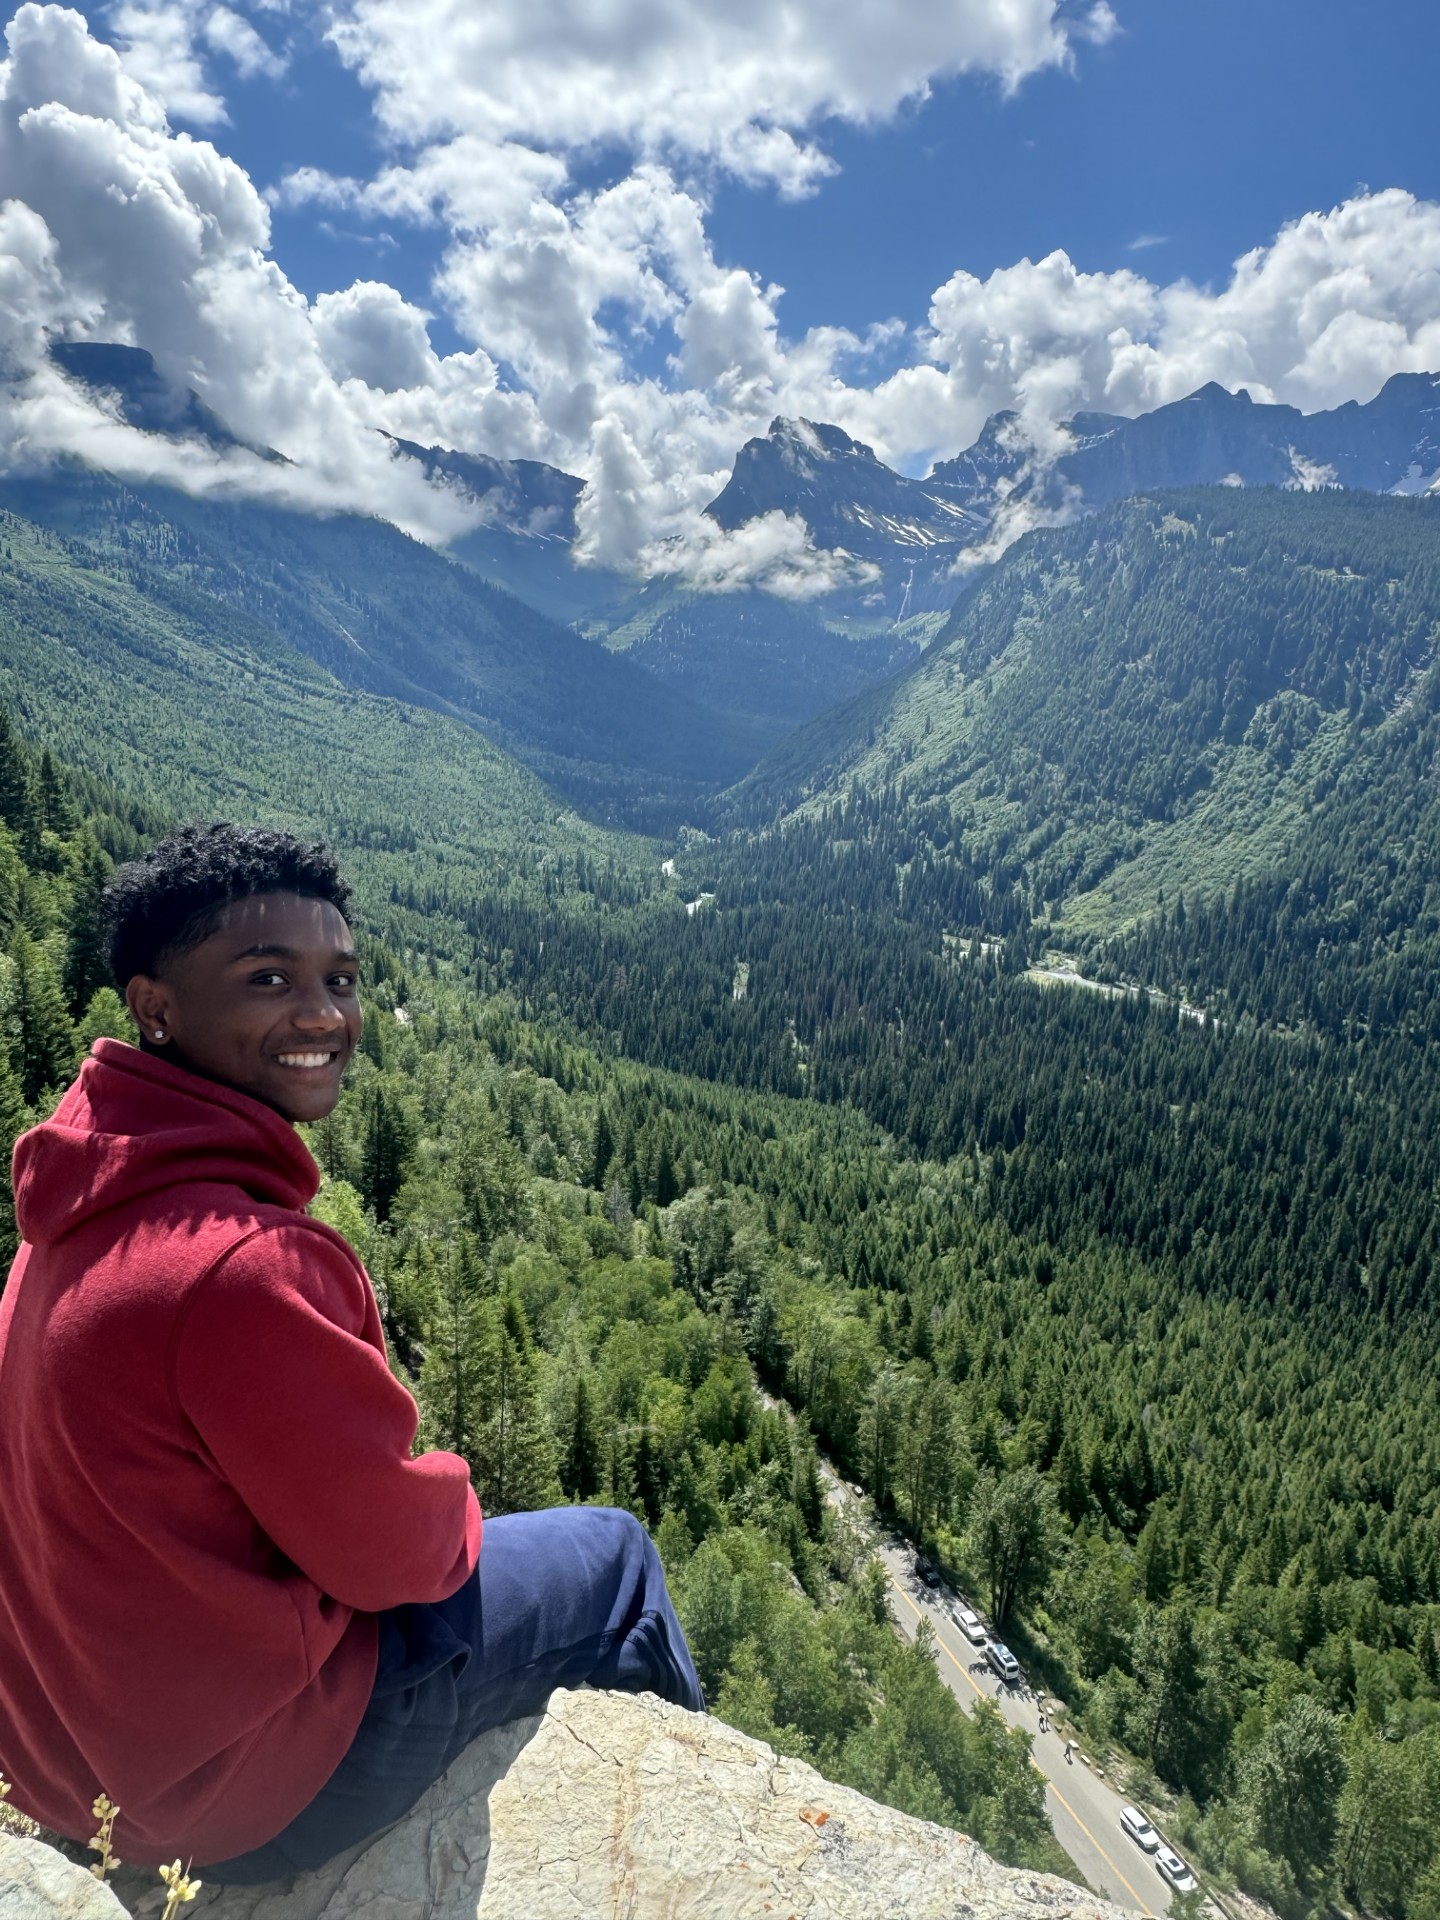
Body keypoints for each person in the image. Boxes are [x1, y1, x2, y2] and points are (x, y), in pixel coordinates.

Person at [0, 824, 701, 1883]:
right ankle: (668, 1845)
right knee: (614, 1557)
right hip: (237, 1796)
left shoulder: (75, 1209)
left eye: (340, 977)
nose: (324, 1012)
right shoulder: (235, 1267)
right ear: (156, 1006)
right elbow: (406, 1560)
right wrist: (445, 1491)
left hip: (71, 1761)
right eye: (269, 977)